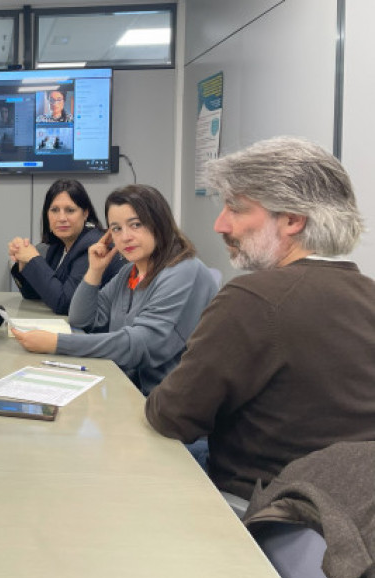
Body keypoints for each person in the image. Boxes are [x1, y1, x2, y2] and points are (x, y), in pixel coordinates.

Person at [144, 136, 375, 500]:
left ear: (292, 220)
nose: (221, 225)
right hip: (349, 518)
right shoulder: (368, 295)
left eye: (236, 209)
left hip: (261, 511)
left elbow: (172, 417)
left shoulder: (253, 299)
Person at [12, 184, 218, 395]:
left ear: (160, 224)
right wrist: (94, 271)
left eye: (136, 224)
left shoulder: (183, 270)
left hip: (170, 401)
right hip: (129, 390)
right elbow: (81, 319)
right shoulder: (130, 272)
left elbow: (140, 344)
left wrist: (57, 343)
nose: (125, 237)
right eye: (116, 228)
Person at [9, 179, 125, 314]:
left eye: (70, 210)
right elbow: (36, 295)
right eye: (54, 210)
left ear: (85, 213)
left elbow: (65, 304)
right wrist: (24, 263)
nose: (61, 218)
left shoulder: (94, 246)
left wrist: (33, 259)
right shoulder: (57, 247)